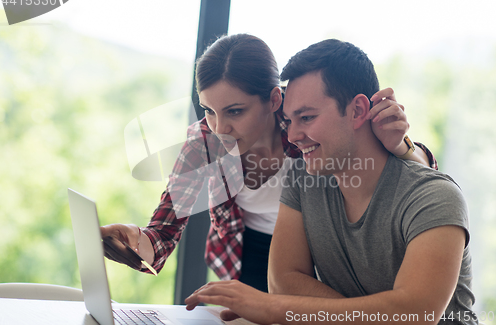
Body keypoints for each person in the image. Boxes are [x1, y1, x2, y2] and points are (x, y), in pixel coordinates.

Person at [101, 34, 436, 293]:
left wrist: (403, 145)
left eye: (235, 111)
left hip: (321, 257)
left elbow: (415, 172)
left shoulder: (309, 126)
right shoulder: (204, 142)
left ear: (275, 100)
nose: (220, 128)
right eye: (208, 110)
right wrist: (134, 241)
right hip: (245, 253)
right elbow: (163, 233)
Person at [184, 38, 476, 325]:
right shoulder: (303, 179)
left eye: (307, 117)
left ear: (359, 111)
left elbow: (414, 314)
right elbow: (283, 283)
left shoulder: (434, 197)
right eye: (290, 120)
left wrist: (277, 309)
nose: (294, 135)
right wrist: (378, 315)